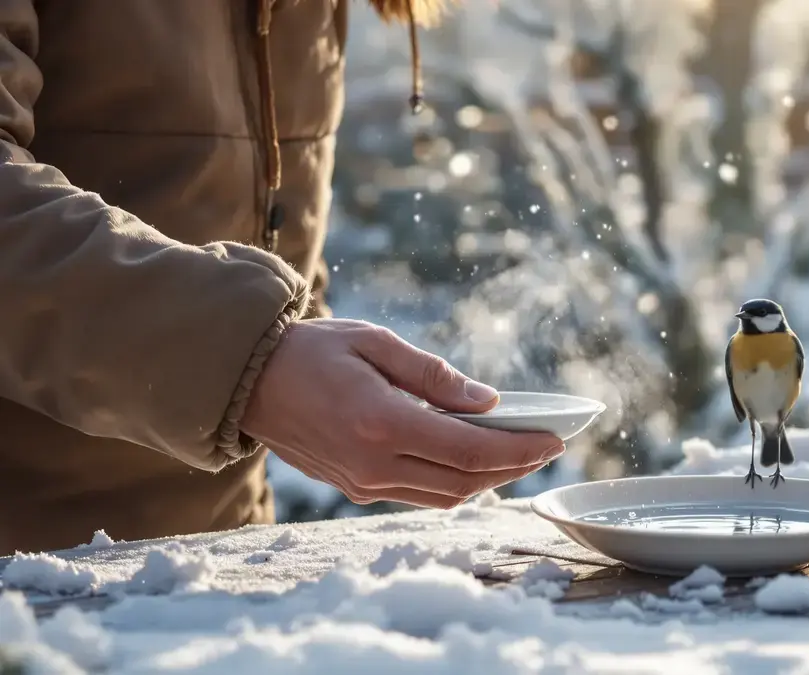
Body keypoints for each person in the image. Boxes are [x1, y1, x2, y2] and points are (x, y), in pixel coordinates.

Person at [0, 0, 564, 556]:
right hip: (29, 582)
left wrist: (327, 377)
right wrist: (251, 362)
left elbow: (267, 225)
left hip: (214, 565)